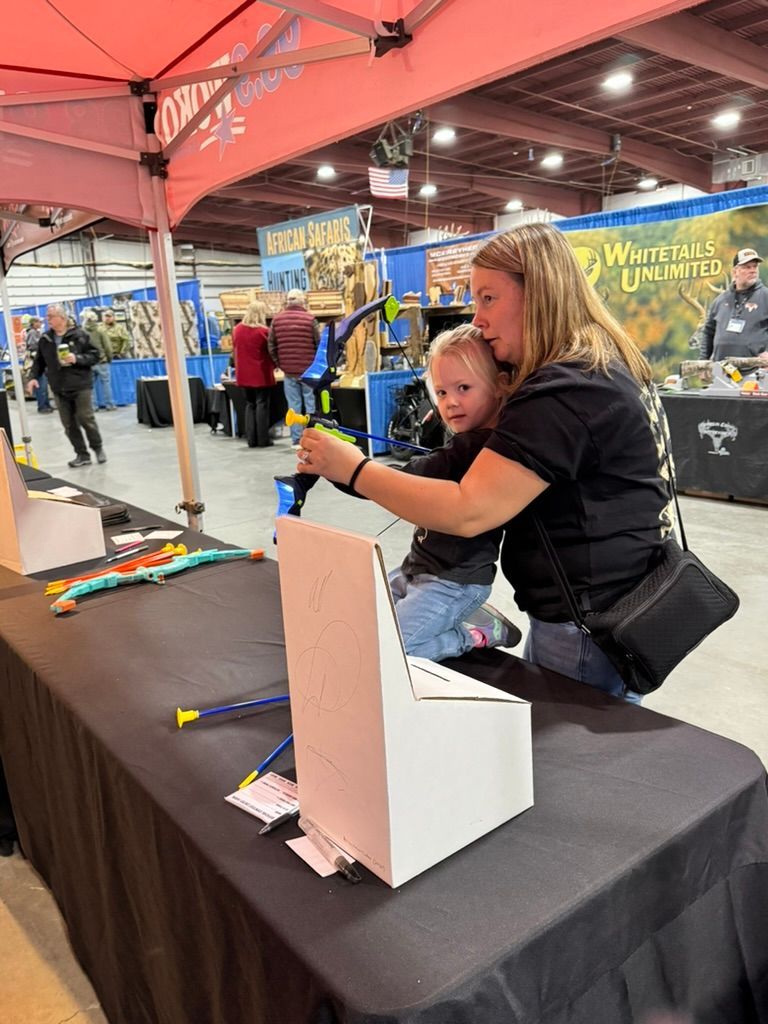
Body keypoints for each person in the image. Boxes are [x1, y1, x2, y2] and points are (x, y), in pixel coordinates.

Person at [296, 223, 675, 703]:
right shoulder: (599, 364)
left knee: (576, 754)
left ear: (538, 292)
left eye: (489, 299)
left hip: (589, 618)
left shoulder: (569, 387)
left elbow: (468, 509)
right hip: (600, 604)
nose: (479, 319)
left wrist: (352, 469)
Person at [291, 325, 521, 661]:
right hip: (418, 568)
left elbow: (396, 479)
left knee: (390, 652)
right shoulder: (463, 440)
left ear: (501, 386)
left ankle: (476, 632)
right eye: (441, 393)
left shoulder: (477, 449)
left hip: (454, 584)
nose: (451, 402)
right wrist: (336, 462)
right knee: (360, 623)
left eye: (464, 388)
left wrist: (344, 467)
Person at [26, 303, 107, 467]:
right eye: (47, 316)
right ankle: (82, 454)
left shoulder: (80, 335)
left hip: (80, 384)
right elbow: (39, 362)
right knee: (68, 424)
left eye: (50, 317)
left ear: (61, 318)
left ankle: (97, 448)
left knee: (85, 418)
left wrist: (77, 359)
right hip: (59, 386)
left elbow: (95, 355)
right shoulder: (45, 339)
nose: (47, 319)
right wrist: (33, 377)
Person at [267, 289, 320, 448]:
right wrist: (315, 365)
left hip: (289, 371)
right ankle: (312, 438)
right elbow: (318, 344)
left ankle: (296, 440)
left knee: (294, 406)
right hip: (308, 370)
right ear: (302, 302)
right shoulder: (310, 319)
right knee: (310, 404)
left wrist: (279, 364)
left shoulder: (277, 320)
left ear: (287, 302)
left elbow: (271, 345)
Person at [699, 247, 768, 362]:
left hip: (756, 373)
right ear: (735, 272)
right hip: (721, 372)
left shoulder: (766, 296)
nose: (753, 270)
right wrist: (703, 362)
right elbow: (708, 332)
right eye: (747, 267)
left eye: (755, 266)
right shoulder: (720, 301)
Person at [233, 300, 275, 447]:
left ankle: (251, 439)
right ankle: (263, 439)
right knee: (262, 405)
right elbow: (270, 353)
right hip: (261, 373)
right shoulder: (264, 331)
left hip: (243, 374)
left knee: (249, 405)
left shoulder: (237, 330)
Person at [82, 311, 116, 410]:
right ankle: (110, 405)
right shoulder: (101, 330)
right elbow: (108, 347)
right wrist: (109, 358)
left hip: (89, 362)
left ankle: (93, 406)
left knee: (91, 386)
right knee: (106, 383)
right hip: (102, 361)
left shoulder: (82, 332)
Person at [24, 316, 53, 413]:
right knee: (41, 385)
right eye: (39, 322)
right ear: (34, 323)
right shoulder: (32, 333)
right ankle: (42, 406)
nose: (40, 324)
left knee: (43, 385)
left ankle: (46, 404)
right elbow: (33, 346)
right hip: (36, 363)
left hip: (40, 362)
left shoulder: (36, 332)